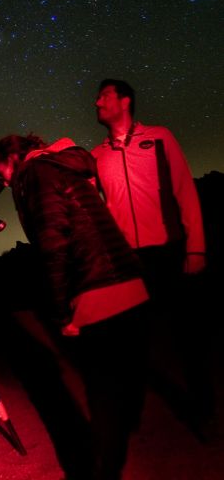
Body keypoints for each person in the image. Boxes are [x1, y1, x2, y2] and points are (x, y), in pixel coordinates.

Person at [0, 133, 150, 480]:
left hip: (97, 288)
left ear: (13, 158)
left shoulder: (34, 173)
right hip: (130, 282)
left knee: (103, 397)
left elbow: (53, 243)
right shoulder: (60, 165)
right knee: (124, 382)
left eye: (2, 172)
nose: (4, 182)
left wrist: (62, 311)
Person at [91, 78, 213, 438]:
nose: (97, 102)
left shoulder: (160, 137)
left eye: (105, 96)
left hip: (169, 250)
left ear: (124, 101)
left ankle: (203, 413)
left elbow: (185, 190)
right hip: (127, 261)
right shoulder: (97, 156)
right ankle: (133, 420)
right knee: (130, 344)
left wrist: (196, 246)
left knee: (188, 337)